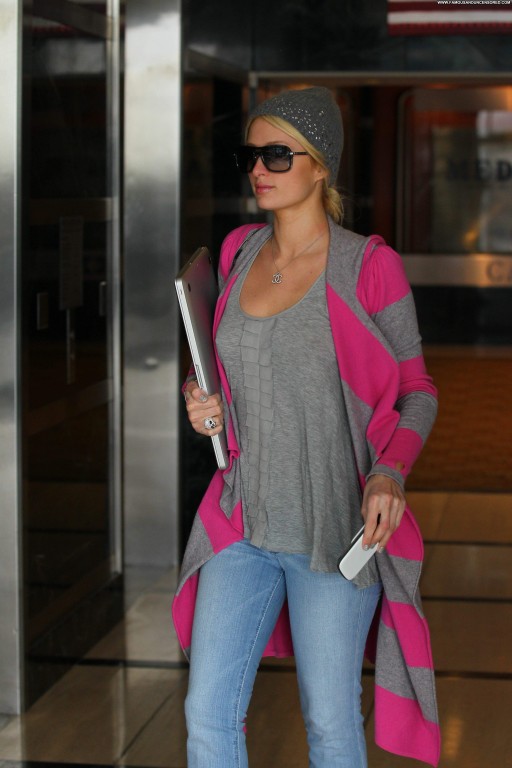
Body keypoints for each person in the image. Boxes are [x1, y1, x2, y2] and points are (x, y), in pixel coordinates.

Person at [173, 87, 440, 768]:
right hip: (243, 523)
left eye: (277, 154)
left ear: (321, 165)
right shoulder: (237, 252)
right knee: (207, 713)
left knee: (329, 722)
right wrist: (204, 402)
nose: (259, 169)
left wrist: (389, 472)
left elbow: (418, 390)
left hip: (333, 529)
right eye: (250, 156)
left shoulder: (367, 267)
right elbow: (230, 373)